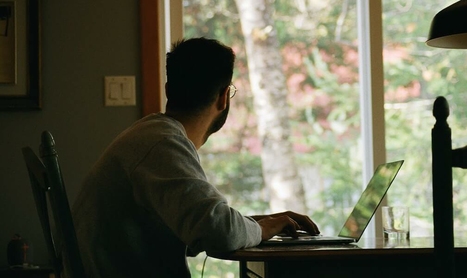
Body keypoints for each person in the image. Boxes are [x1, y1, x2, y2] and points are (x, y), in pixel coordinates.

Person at [71, 37, 320, 277]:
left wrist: (257, 224)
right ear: (223, 98)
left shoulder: (150, 135)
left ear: (169, 90)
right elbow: (218, 233)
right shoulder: (163, 144)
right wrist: (262, 229)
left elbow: (196, 225)